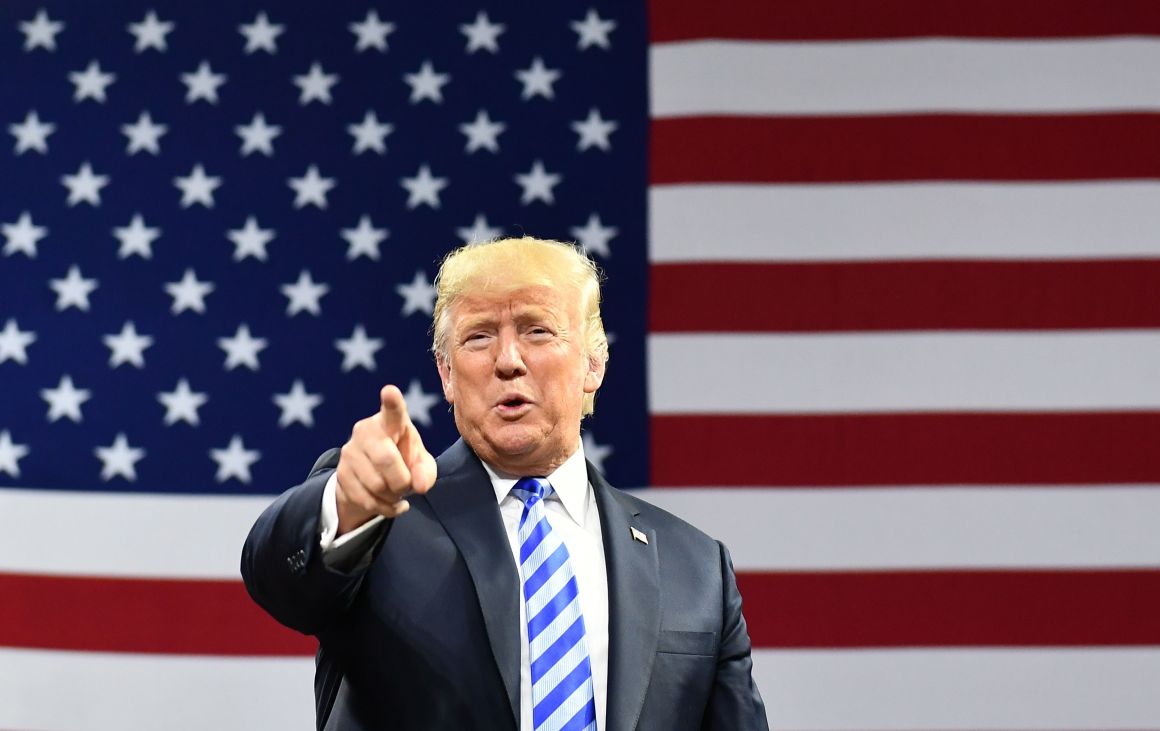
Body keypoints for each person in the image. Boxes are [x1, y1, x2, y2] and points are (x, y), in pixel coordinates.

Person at [241, 236, 769, 731]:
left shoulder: (697, 568)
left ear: (594, 364)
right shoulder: (382, 517)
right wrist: (347, 504)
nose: (508, 361)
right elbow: (278, 579)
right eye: (479, 337)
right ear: (447, 374)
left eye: (537, 330)